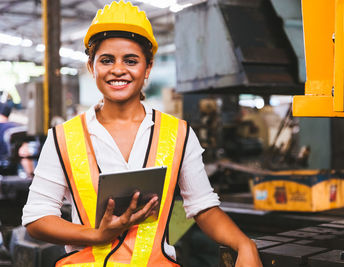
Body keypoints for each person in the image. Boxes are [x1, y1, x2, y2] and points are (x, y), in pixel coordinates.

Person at [22, 1, 262, 266]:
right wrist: (96, 234)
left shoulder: (178, 134)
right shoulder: (62, 138)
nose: (118, 69)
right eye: (106, 60)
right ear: (92, 67)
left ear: (147, 68)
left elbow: (203, 207)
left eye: (131, 60)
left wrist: (243, 243)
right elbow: (37, 218)